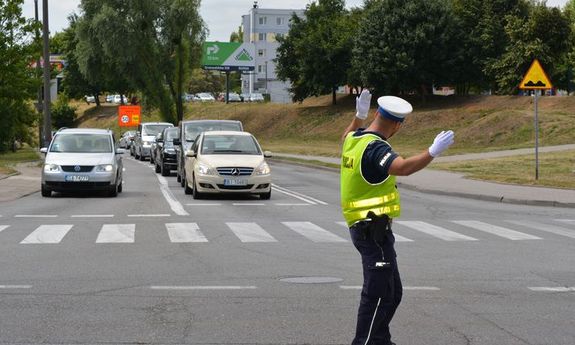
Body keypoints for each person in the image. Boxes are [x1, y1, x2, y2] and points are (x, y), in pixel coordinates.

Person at [341, 89, 454, 345]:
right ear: (396, 124)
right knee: (379, 294)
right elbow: (401, 167)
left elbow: (345, 136)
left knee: (392, 291)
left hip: (369, 230)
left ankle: (380, 339)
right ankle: (366, 342)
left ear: (377, 114)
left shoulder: (355, 139)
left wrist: (359, 116)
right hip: (372, 231)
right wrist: (432, 151)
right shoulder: (374, 148)